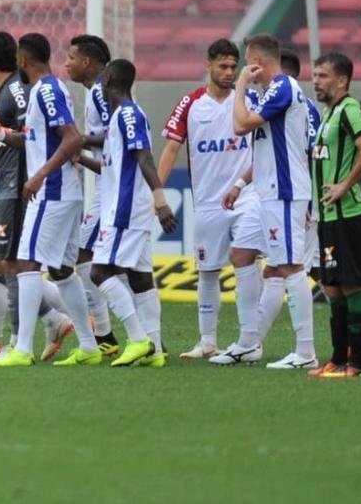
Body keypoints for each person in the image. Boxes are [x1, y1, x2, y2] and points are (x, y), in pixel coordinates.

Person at [0, 34, 104, 367]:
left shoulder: (47, 90)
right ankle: (89, 346)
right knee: (62, 270)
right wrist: (2, 135)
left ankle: (22, 349)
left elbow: (72, 139)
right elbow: (39, 140)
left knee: (26, 263)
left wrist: (38, 176)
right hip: (64, 192)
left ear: (22, 60)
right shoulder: (46, 90)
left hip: (52, 192)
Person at [0, 32, 74, 362]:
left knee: (15, 264)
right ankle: (54, 319)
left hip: (18, 188)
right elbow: (15, 139)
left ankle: (18, 343)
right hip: (6, 184)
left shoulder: (17, 92)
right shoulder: (9, 91)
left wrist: (26, 176)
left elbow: (31, 140)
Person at [158, 39, 266, 361]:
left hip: (247, 196)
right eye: (223, 66)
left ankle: (250, 339)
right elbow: (171, 148)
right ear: (208, 65)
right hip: (207, 202)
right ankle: (207, 341)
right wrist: (157, 193)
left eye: (234, 66)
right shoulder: (190, 103)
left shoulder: (248, 99)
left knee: (247, 260)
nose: (229, 72)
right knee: (207, 271)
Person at [230, 34, 316, 369]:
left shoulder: (283, 86)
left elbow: (241, 125)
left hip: (286, 190)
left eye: (247, 61)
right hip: (271, 190)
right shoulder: (272, 92)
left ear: (257, 62)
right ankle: (249, 344)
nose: (245, 68)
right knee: (278, 266)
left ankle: (305, 352)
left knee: (292, 266)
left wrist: (240, 85)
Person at [88, 59, 178, 367]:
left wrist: (161, 201)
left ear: (110, 78)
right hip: (126, 206)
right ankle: (156, 350)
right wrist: (78, 155)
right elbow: (113, 166)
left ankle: (138, 339)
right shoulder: (119, 117)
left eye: (103, 75)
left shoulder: (128, 113)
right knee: (140, 278)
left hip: (125, 209)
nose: (100, 81)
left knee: (99, 273)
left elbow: (144, 157)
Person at [306, 53, 361, 378]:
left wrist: (344, 185)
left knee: (352, 287)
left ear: (342, 80)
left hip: (349, 215)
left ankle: (359, 364)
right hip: (328, 218)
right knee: (333, 288)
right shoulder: (328, 113)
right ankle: (338, 360)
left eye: (322, 75)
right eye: (315, 75)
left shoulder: (349, 109)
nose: (316, 81)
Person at [64, 34, 121, 357]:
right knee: (116, 263)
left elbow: (117, 134)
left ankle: (105, 335)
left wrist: (79, 140)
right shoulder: (97, 91)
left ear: (86, 62)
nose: (67, 64)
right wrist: (82, 154)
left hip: (114, 189)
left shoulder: (101, 91)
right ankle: (135, 336)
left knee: (85, 254)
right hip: (108, 184)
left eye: (71, 58)